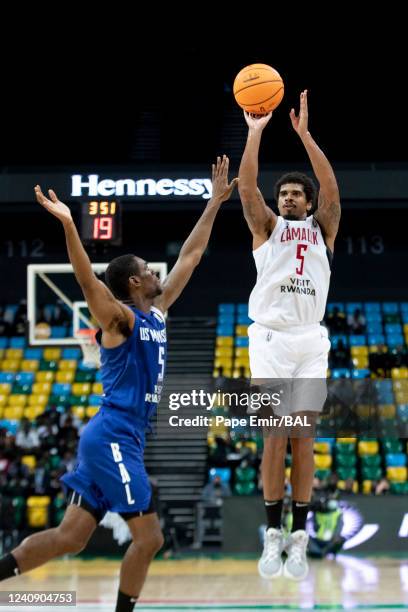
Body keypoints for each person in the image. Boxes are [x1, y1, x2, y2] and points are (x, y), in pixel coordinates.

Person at [0, 156, 237, 612]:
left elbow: (190, 254)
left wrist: (213, 204)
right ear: (134, 281)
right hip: (113, 436)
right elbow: (88, 280)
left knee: (70, 538)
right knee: (150, 538)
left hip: (115, 437)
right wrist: (70, 224)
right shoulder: (120, 319)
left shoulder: (159, 310)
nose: (156, 272)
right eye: (149, 269)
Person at [238, 90, 340, 580]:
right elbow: (247, 187)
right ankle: (272, 533)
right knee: (274, 437)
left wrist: (303, 135)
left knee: (305, 438)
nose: (288, 198)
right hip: (271, 340)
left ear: (309, 202)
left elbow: (332, 188)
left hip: (310, 340)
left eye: (296, 194)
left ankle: (299, 537)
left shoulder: (323, 227)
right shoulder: (267, 228)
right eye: (283, 195)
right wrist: (255, 133)